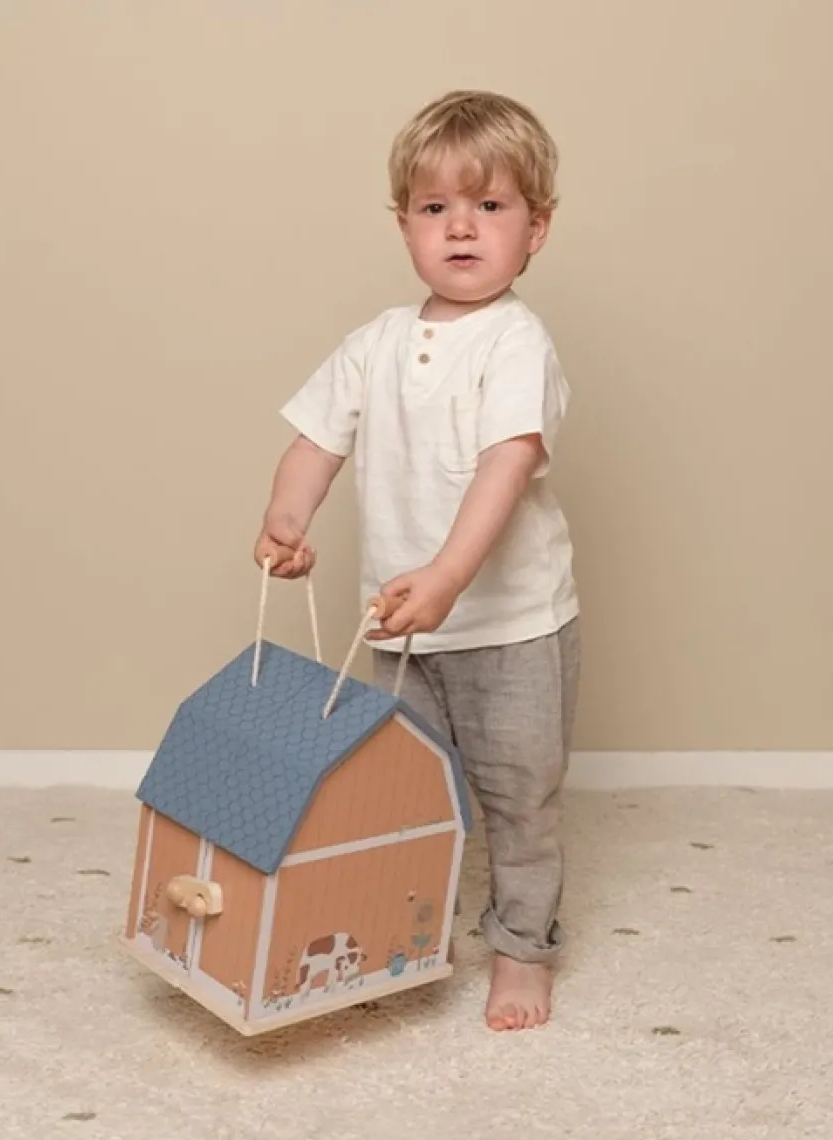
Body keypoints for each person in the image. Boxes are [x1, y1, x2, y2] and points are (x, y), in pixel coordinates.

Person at [253, 89, 580, 1031]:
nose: (462, 228)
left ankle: (522, 949)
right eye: (436, 209)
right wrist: (287, 515)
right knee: (400, 791)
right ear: (404, 226)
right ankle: (408, 931)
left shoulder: (516, 343)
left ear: (537, 230)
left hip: (510, 627)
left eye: (491, 207)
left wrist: (445, 577)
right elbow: (318, 440)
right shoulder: (376, 345)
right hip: (396, 631)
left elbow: (506, 465)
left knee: (522, 797)